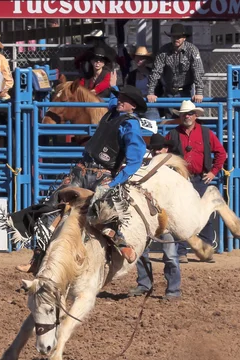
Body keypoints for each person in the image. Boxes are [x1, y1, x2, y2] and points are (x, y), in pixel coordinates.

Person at [10, 74, 147, 272]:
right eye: (120, 98)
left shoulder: (130, 125)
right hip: (82, 169)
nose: (120, 101)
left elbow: (135, 160)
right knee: (52, 206)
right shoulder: (112, 112)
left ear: (133, 106)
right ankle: (37, 259)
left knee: (102, 214)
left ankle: (122, 244)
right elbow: (110, 99)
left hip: (104, 174)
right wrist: (113, 86)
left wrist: (115, 182)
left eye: (125, 100)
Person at [166, 100, 227, 263]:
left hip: (200, 178)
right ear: (181, 116)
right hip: (181, 180)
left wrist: (213, 172)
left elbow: (221, 153)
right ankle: (181, 251)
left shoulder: (206, 133)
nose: (187, 116)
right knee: (180, 215)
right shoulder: (173, 134)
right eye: (185, 114)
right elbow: (164, 155)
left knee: (203, 215)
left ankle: (204, 250)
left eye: (190, 114)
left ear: (195, 116)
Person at [128, 133, 182, 301]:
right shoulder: (146, 169)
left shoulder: (174, 172)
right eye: (154, 150)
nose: (156, 152)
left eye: (159, 149)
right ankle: (145, 284)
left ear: (166, 149)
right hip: (149, 217)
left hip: (167, 217)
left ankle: (173, 289)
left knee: (170, 255)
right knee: (142, 252)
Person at [147, 23, 205, 111]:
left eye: (179, 37)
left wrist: (199, 92)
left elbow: (197, 70)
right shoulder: (163, 51)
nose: (176, 39)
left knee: (185, 116)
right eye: (173, 37)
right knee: (169, 120)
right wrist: (151, 92)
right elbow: (156, 71)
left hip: (185, 91)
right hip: (168, 90)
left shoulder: (192, 50)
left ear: (184, 38)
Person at [125, 46, 161, 120]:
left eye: (142, 58)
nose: (139, 60)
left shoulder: (153, 73)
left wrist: (153, 95)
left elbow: (159, 88)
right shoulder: (130, 75)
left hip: (150, 105)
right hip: (135, 105)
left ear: (147, 60)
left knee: (153, 124)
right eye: (137, 57)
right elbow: (127, 90)